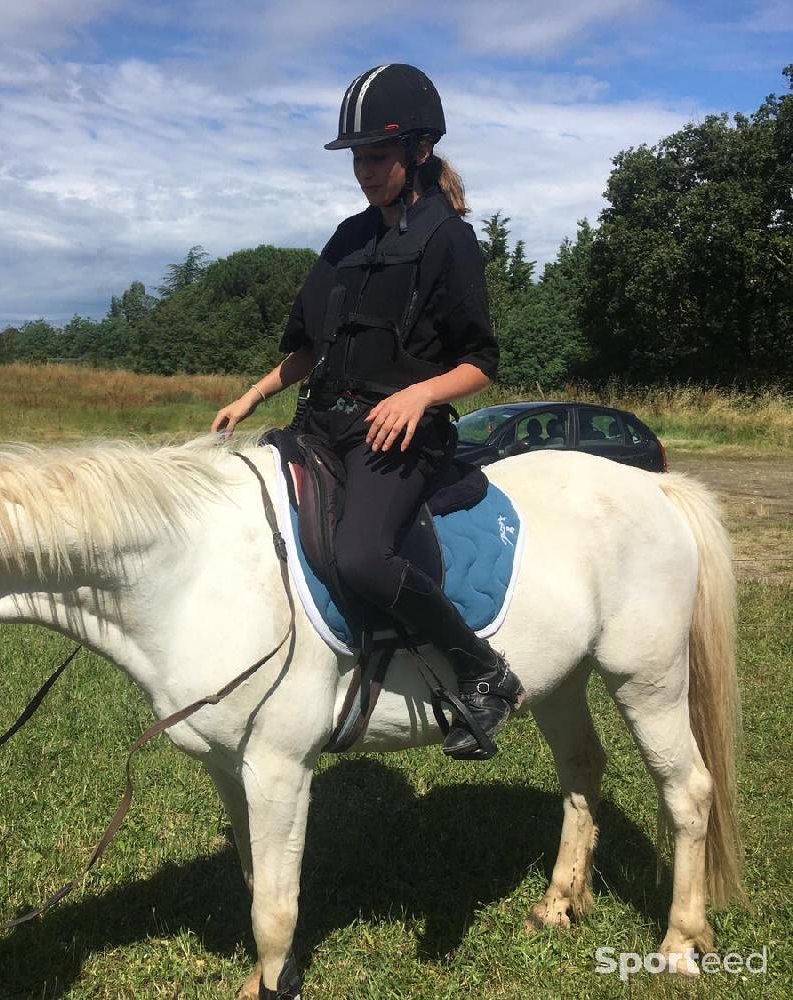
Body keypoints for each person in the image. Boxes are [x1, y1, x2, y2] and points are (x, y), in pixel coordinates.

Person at [211, 64, 524, 760]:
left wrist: (419, 394)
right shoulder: (348, 239)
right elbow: (307, 350)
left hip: (401, 436)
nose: (363, 171)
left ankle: (482, 670)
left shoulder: (451, 241)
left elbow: (481, 363)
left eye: (376, 156)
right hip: (322, 423)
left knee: (360, 557)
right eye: (356, 156)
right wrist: (253, 395)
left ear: (417, 152)